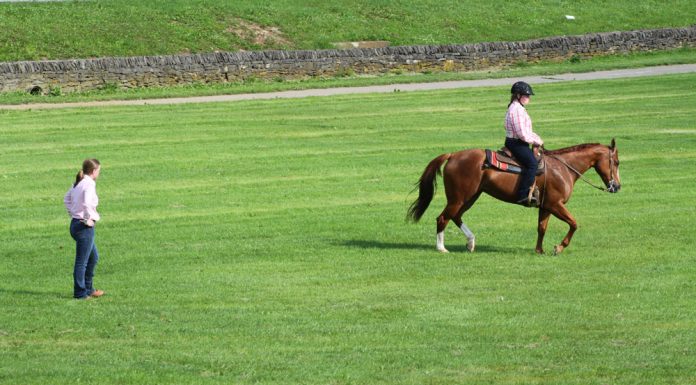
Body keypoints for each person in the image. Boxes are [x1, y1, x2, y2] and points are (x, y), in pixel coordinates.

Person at [64, 159, 105, 299]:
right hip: (84, 226)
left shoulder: (79, 182)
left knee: (93, 258)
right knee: (82, 262)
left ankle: (89, 288)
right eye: (99, 170)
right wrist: (87, 218)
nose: (99, 173)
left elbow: (66, 199)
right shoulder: (89, 184)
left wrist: (73, 213)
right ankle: (80, 293)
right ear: (94, 171)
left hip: (75, 224)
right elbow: (87, 203)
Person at [504, 81, 544, 207]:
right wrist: (536, 141)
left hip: (519, 142)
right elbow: (522, 134)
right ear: (518, 95)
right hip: (517, 143)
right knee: (532, 164)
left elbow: (527, 131)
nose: (528, 98)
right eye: (526, 95)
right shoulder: (516, 110)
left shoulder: (518, 108)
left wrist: (538, 139)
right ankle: (522, 195)